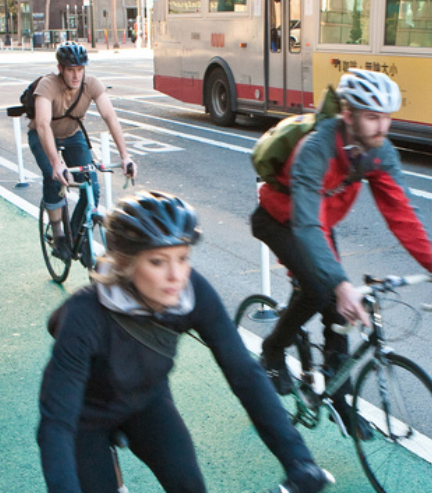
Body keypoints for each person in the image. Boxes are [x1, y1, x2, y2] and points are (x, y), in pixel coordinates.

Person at [37, 191, 332, 493]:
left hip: (147, 401)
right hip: (86, 418)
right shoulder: (84, 314)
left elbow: (244, 373)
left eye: (182, 257)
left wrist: (298, 460)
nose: (176, 275)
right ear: (126, 263)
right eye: (157, 261)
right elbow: (57, 422)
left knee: (189, 486)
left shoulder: (192, 293)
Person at [250, 69, 432, 439]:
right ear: (348, 115)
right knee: (324, 291)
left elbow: (401, 213)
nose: (383, 127)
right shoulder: (315, 148)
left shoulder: (378, 152)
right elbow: (305, 226)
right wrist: (338, 284)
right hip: (282, 219)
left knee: (338, 307)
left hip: (319, 222)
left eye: (387, 116)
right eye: (372, 116)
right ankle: (272, 350)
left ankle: (340, 399)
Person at [28, 41, 137, 262]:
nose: (76, 76)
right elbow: (42, 125)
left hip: (73, 136)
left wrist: (125, 156)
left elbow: (110, 117)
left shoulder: (92, 84)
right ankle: (59, 236)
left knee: (92, 188)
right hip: (43, 136)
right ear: (60, 69)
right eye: (71, 70)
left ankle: (76, 234)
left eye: (80, 70)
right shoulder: (47, 85)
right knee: (54, 176)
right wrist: (56, 162)